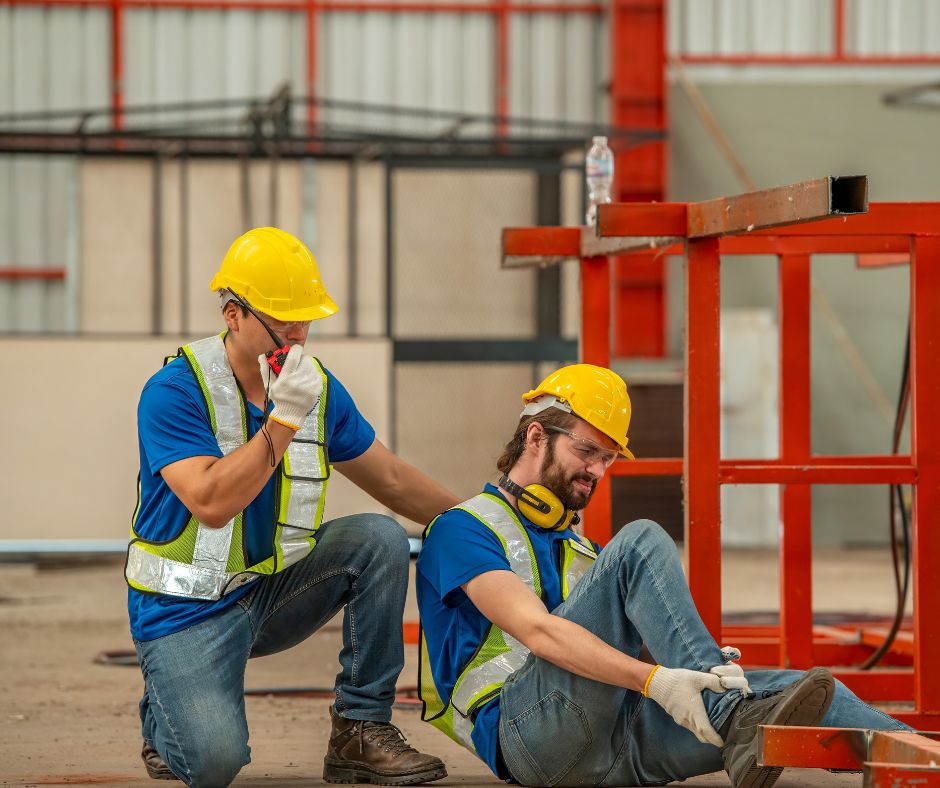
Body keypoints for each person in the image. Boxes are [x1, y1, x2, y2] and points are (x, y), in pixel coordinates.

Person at [416, 364, 910, 788]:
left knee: (797, 694)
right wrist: (656, 681)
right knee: (643, 539)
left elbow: (639, 652)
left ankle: (919, 757)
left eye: (608, 459)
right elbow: (538, 632)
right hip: (529, 738)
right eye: (587, 451)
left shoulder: (585, 552)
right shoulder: (463, 529)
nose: (598, 470)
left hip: (617, 745)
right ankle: (726, 713)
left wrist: (704, 670)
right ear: (536, 435)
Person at [126, 227, 457, 788]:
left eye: (306, 320)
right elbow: (211, 503)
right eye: (282, 320)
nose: (298, 335)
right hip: (185, 613)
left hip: (270, 591)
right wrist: (283, 420)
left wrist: (493, 527)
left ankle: (359, 731)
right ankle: (165, 714)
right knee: (212, 766)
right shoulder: (173, 392)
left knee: (378, 538)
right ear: (234, 315)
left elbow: (395, 482)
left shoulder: (314, 388)